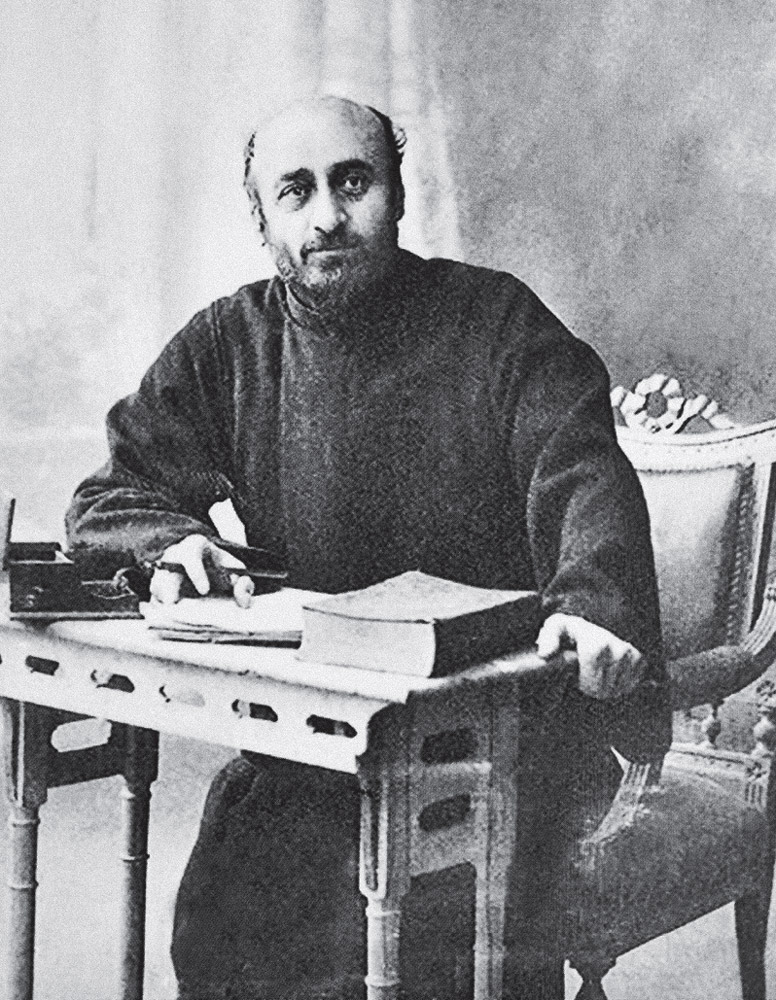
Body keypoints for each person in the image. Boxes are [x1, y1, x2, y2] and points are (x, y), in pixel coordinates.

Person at [66, 96, 670, 1000]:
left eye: (354, 183)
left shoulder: (497, 322)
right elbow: (112, 493)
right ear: (262, 220)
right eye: (296, 192)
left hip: (489, 746)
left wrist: (592, 605)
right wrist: (172, 541)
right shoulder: (231, 343)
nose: (328, 217)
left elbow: (582, 470)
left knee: (435, 959)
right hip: (311, 748)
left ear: (397, 194)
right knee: (225, 935)